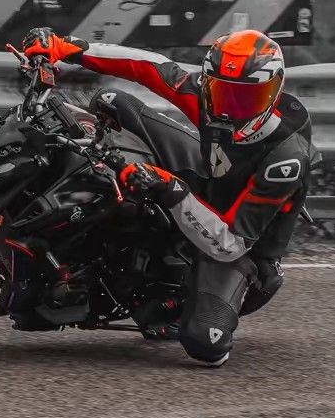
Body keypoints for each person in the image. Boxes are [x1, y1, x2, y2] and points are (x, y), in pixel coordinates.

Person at [22, 27, 316, 367]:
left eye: (246, 98)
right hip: (208, 184)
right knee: (113, 102)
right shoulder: (207, 97)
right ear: (208, 82)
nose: (230, 109)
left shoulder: (286, 158)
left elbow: (231, 244)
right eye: (223, 92)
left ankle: (182, 300)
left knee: (206, 344)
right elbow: (148, 66)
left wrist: (168, 188)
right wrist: (65, 47)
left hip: (242, 247)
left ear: (274, 92)